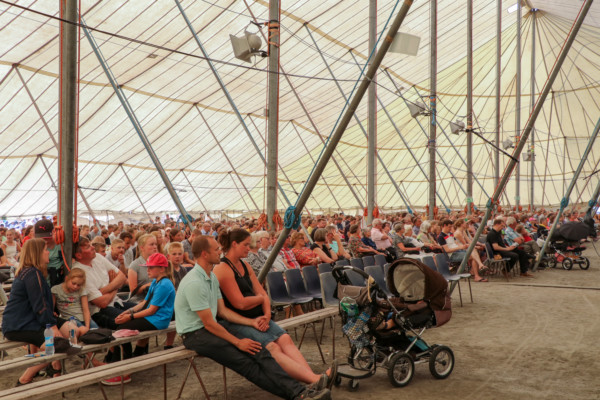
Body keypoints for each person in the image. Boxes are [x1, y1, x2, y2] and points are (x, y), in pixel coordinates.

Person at [175, 235, 331, 400]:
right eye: (216, 249)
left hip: (208, 328)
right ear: (204, 254)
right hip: (195, 334)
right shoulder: (195, 282)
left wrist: (251, 322)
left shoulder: (210, 276)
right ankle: (299, 394)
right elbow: (209, 324)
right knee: (246, 363)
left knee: (259, 351)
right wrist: (238, 342)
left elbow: (223, 312)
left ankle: (301, 391)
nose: (220, 251)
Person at [1, 239, 64, 385]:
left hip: (26, 321)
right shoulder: (31, 273)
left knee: (67, 334)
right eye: (45, 250)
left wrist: (51, 318)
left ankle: (55, 369)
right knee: (56, 346)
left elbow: (40, 303)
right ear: (37, 253)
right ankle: (25, 378)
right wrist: (52, 325)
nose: (48, 252)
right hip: (18, 325)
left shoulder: (32, 271)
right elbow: (39, 304)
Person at [51, 268, 98, 339]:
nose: (75, 287)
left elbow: (86, 310)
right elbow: (51, 307)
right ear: (66, 279)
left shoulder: (81, 290)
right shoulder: (55, 290)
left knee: (97, 331)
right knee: (82, 332)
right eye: (73, 283)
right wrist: (53, 312)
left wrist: (87, 326)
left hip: (83, 318)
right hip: (70, 319)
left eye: (78, 285)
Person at [128, 234, 158, 304]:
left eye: (155, 244)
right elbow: (133, 291)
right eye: (151, 244)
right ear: (142, 248)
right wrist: (149, 285)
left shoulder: (159, 263)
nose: (155, 247)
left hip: (156, 298)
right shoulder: (135, 265)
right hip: (139, 301)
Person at [34, 219, 65, 287]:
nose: (45, 241)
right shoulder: (35, 246)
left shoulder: (62, 243)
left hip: (60, 279)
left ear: (53, 232)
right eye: (42, 238)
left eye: (47, 237)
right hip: (44, 280)